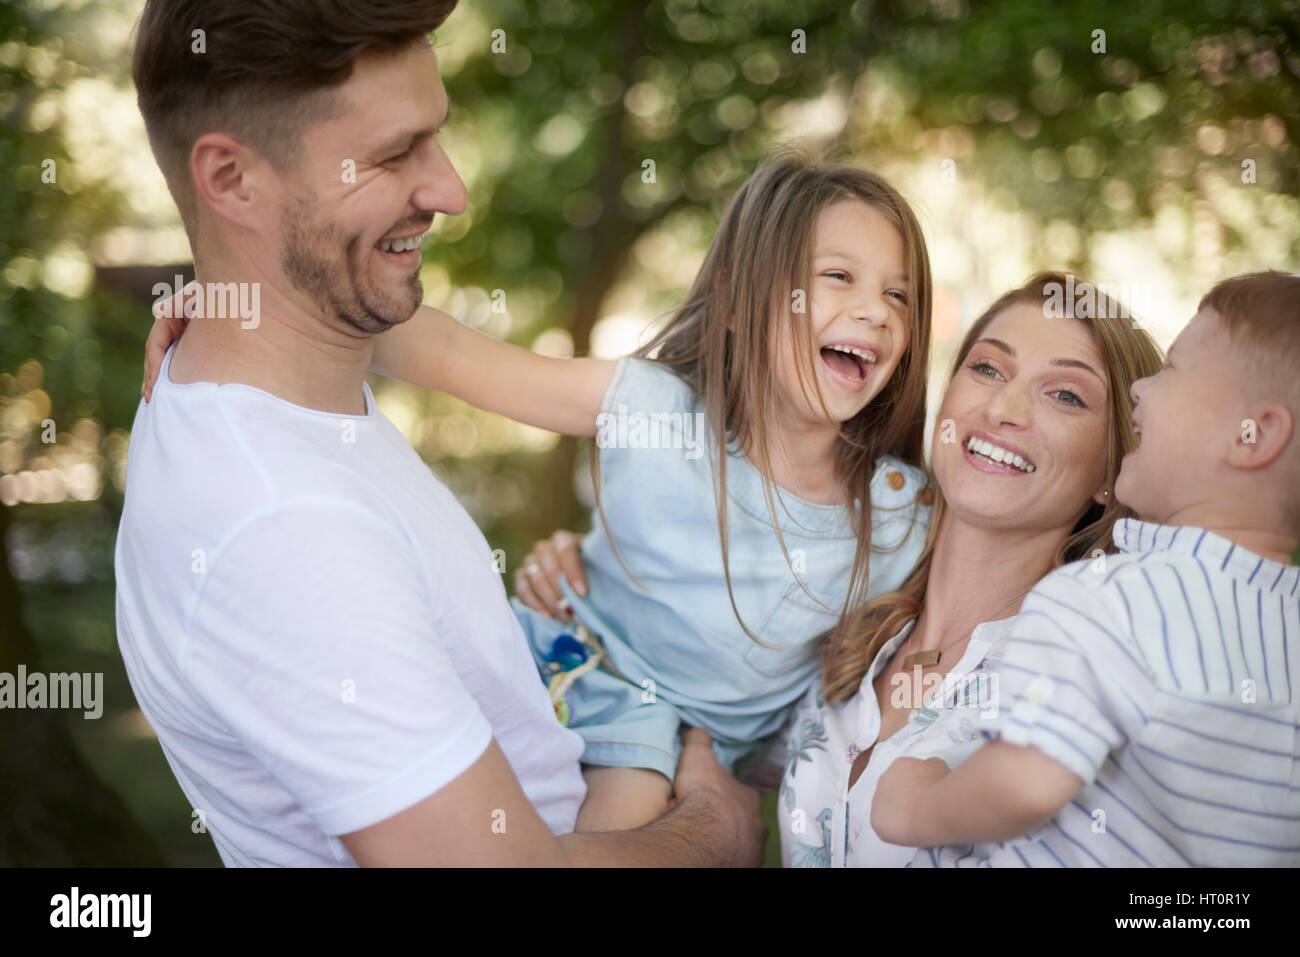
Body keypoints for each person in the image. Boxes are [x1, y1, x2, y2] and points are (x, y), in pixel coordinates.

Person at [117, 0, 764, 867]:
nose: (451, 191)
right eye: (393, 155)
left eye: (435, 136)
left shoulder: (281, 367)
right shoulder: (282, 529)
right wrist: (716, 831)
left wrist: (214, 291)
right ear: (232, 180)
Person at [145, 151, 938, 832]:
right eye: (838, 278)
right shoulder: (654, 410)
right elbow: (456, 354)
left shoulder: (902, 512)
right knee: (622, 809)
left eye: (898, 296)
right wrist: (242, 304)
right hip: (584, 671)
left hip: (706, 746)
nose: (874, 310)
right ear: (737, 302)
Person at [512, 271, 1165, 865]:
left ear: (1112, 471)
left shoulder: (1089, 663)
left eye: (1066, 396)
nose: (1004, 409)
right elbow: (673, 677)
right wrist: (606, 577)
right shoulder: (839, 631)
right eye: (989, 369)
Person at [873, 271, 1300, 867]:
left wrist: (916, 808)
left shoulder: (1110, 600)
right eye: (988, 368)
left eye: (1175, 369)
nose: (1142, 392)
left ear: (1254, 437)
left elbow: (1026, 780)